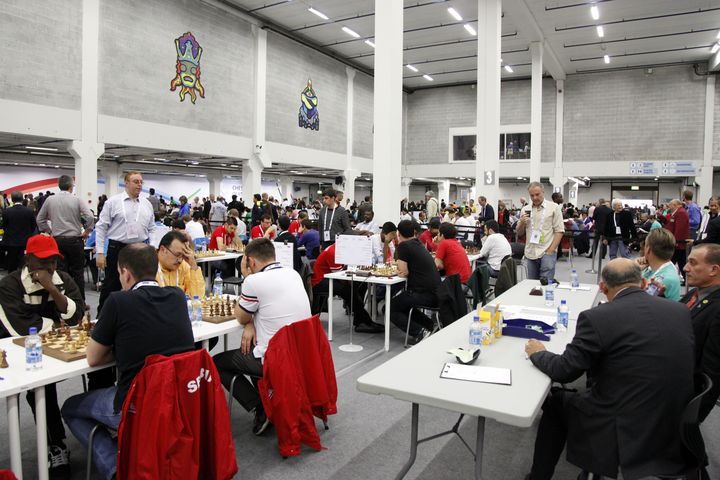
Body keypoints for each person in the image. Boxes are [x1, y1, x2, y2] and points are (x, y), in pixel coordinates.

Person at [524, 259, 695, 480]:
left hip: (623, 419)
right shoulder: (680, 311)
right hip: (672, 414)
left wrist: (538, 353)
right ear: (643, 283)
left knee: (557, 403)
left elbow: (565, 371)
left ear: (603, 288)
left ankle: (538, 476)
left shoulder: (597, 318)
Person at [62, 244, 195, 480]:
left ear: (125, 273)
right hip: (178, 400)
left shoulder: (117, 301)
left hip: (136, 404)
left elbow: (93, 357)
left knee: (70, 408)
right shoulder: (176, 296)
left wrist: (121, 349)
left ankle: (115, 467)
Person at [0, 235, 85, 477]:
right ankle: (56, 444)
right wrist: (60, 324)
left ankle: (102, 430)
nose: (49, 267)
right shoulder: (9, 285)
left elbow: (77, 316)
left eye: (53, 261)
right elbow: (22, 328)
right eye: (43, 261)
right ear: (28, 259)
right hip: (19, 353)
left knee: (100, 365)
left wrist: (52, 289)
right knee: (42, 387)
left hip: (57, 348)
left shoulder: (62, 279)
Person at [213, 239, 311, 435]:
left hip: (275, 358)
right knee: (250, 347)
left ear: (250, 261)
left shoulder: (254, 281)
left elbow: (241, 316)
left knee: (217, 362)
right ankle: (267, 399)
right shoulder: (293, 273)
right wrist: (251, 323)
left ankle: (260, 406)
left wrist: (246, 276)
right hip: (302, 353)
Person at [95, 171, 156, 313]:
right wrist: (100, 252)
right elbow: (101, 227)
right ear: (126, 183)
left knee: (140, 285)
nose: (139, 185)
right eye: (136, 181)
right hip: (118, 248)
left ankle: (135, 316)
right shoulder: (113, 202)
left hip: (140, 249)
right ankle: (102, 317)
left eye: (141, 182)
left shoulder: (146, 204)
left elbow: (152, 228)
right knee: (111, 285)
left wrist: (152, 247)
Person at [36, 176, 95, 301]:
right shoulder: (77, 199)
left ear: (59, 186)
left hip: (57, 240)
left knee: (60, 272)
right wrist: (87, 231)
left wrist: (49, 231)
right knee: (78, 273)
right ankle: (80, 302)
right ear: (71, 187)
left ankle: (62, 301)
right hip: (75, 240)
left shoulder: (50, 200)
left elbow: (40, 219)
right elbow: (90, 216)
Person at [681, 243, 720, 421]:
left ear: (713, 270)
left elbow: (712, 372)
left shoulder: (717, 308)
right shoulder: (695, 294)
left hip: (684, 395)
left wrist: (693, 417)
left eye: (693, 262)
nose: (685, 268)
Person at [311, 243, 383, 333]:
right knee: (348, 291)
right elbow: (339, 275)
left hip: (329, 277)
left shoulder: (340, 250)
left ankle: (363, 320)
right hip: (320, 281)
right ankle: (362, 322)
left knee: (360, 285)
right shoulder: (332, 253)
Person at [390, 220, 441, 344]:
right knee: (403, 304)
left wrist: (398, 270)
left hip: (423, 293)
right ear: (414, 232)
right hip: (436, 292)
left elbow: (403, 272)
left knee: (390, 308)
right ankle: (430, 326)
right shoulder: (418, 243)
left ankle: (420, 332)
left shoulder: (404, 246)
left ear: (398, 233)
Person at [516, 182, 564, 282]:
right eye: (532, 195)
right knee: (532, 284)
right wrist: (522, 223)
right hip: (531, 252)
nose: (535, 198)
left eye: (537, 194)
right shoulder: (525, 209)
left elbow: (559, 231)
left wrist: (551, 250)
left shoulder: (554, 207)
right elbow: (520, 233)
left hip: (547, 251)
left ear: (543, 192)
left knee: (546, 285)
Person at [636, 228, 681, 301]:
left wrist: (633, 269)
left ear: (648, 249)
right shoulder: (658, 268)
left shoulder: (662, 279)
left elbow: (637, 302)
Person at [156, 230, 205, 297]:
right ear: (163, 250)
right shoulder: (148, 267)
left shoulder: (184, 266)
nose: (180, 260)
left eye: (183, 256)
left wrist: (193, 266)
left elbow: (197, 296)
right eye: (177, 255)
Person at [1, 190, 37, 273]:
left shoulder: (6, 212)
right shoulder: (29, 211)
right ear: (22, 199)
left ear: (12, 199)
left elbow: (4, 226)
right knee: (24, 262)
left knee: (11, 262)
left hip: (11, 241)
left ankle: (12, 277)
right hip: (25, 241)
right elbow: (33, 226)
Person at [664, 199, 690, 281]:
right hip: (677, 243)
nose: (669, 207)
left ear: (675, 205)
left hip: (678, 243)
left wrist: (676, 241)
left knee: (676, 262)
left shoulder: (681, 213)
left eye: (670, 205)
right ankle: (687, 279)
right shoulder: (677, 212)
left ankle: (687, 280)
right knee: (681, 262)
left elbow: (680, 229)